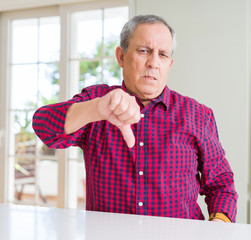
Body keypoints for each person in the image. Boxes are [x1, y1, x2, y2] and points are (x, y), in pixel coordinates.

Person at [32, 14, 238, 222]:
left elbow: (221, 184)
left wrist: (218, 227)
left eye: (163, 55)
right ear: (121, 56)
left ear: (170, 64)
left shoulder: (197, 114)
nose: (153, 63)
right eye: (144, 51)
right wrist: (95, 109)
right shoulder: (97, 101)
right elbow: (43, 126)